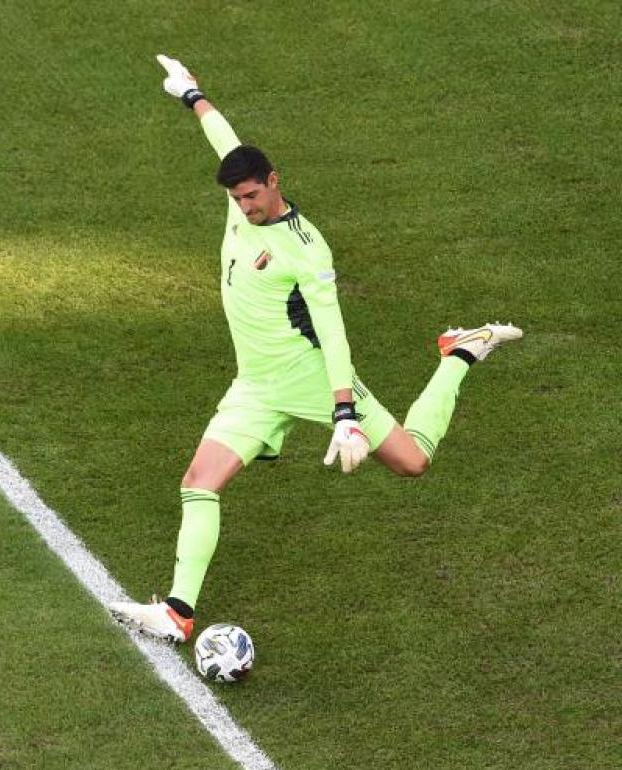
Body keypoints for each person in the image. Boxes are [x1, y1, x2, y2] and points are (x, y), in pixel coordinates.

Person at [107, 55, 523, 644]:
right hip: (254, 383)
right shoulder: (238, 196)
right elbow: (225, 140)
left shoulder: (307, 249)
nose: (245, 207)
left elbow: (332, 331)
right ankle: (177, 611)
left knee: (412, 462)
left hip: (308, 372)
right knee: (197, 483)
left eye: (252, 195)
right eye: (238, 197)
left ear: (275, 181)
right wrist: (190, 92)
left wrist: (345, 413)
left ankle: (458, 354)